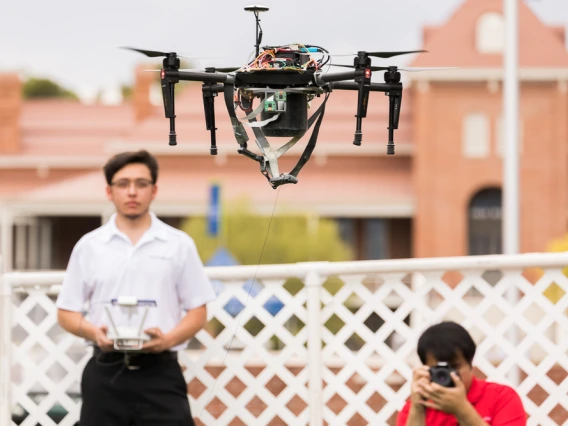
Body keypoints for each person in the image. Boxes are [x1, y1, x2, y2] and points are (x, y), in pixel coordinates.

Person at [56, 150, 216, 426]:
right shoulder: (89, 246)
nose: (132, 192)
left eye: (141, 184)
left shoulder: (178, 244)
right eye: (123, 183)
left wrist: (168, 339)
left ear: (154, 191)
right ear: (109, 191)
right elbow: (66, 312)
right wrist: (94, 332)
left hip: (161, 372)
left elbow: (198, 311)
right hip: (105, 372)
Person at [396, 321, 526, 426]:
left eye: (454, 366)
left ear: (471, 364)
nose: (447, 374)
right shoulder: (414, 409)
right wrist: (418, 410)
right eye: (438, 369)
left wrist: (461, 410)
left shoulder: (502, 397)